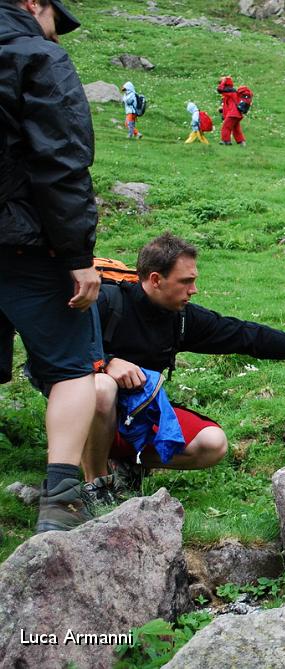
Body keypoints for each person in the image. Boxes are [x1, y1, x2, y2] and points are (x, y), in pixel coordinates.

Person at [81, 233, 285, 503]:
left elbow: (246, 335)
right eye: (185, 282)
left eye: (194, 280)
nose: (193, 290)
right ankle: (95, 484)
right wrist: (105, 362)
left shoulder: (182, 319)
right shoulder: (105, 301)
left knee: (212, 444)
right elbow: (53, 347)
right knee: (103, 387)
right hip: (84, 414)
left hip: (135, 414)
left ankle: (125, 462)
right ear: (155, 279)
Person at [0, 0, 103, 532]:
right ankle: (61, 500)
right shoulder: (37, 57)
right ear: (34, 3)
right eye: (54, 21)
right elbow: (61, 161)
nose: (56, 34)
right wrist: (78, 258)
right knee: (71, 368)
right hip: (25, 244)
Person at [216, 75, 245, 146]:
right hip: (237, 114)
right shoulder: (231, 93)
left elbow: (219, 89)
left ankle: (226, 141)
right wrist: (222, 110)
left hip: (233, 114)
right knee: (236, 129)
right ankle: (241, 142)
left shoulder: (229, 91)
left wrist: (224, 80)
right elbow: (230, 105)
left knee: (226, 127)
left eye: (220, 83)